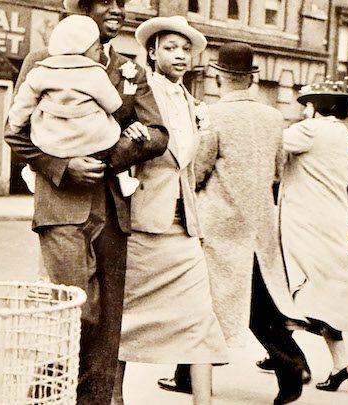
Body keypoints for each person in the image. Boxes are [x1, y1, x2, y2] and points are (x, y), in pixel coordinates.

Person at [4, 0, 169, 403]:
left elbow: (158, 133)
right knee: (77, 313)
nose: (116, 9)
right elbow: (16, 131)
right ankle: (45, 396)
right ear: (80, 7)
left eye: (121, 3)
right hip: (61, 207)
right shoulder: (44, 60)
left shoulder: (129, 68)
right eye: (104, 1)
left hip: (113, 211)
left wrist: (107, 158)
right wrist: (62, 166)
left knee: (108, 327)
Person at [157, 42, 309, 405]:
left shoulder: (211, 115)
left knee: (198, 299)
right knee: (258, 300)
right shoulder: (274, 117)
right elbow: (277, 171)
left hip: (220, 223)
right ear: (252, 79)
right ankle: (290, 367)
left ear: (220, 76)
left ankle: (187, 376)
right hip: (260, 222)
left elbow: (198, 169)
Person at [112, 16, 229, 405]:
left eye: (185, 49)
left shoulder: (192, 103)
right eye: (169, 48)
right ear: (152, 52)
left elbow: (189, 166)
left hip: (184, 229)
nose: (179, 55)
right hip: (144, 226)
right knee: (125, 322)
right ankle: (114, 399)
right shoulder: (139, 94)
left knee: (200, 319)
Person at [281, 80, 348, 393]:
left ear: (318, 105)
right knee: (321, 292)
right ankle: (341, 365)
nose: (303, 109)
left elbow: (270, 138)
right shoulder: (342, 133)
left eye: (307, 103)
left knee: (296, 286)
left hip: (307, 221)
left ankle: (284, 353)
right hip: (330, 219)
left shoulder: (312, 130)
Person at [8, 14, 139, 197]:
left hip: (51, 141)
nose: (99, 53)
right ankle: (123, 177)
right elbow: (113, 104)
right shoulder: (94, 73)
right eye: (96, 49)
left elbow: (23, 105)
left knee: (38, 134)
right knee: (112, 134)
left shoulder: (41, 71)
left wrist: (16, 122)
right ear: (84, 51)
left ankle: (31, 170)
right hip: (92, 141)